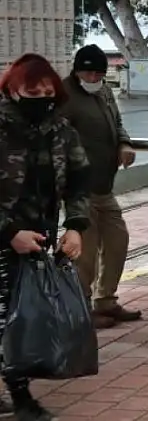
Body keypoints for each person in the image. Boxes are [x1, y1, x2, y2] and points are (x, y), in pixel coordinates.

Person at [0, 53, 91, 420]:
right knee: (9, 317)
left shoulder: (62, 131)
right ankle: (21, 399)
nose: (40, 97)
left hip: (38, 240)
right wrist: (8, 233)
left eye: (45, 90)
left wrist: (76, 226)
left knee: (23, 314)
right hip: (6, 237)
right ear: (12, 90)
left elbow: (79, 181)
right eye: (30, 90)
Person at [58, 45, 141, 330]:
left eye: (98, 73)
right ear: (76, 70)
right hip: (80, 188)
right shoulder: (64, 97)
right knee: (86, 250)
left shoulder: (104, 92)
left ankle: (105, 299)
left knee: (118, 239)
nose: (93, 77)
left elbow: (117, 122)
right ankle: (81, 306)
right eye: (87, 72)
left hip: (104, 185)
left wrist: (125, 143)